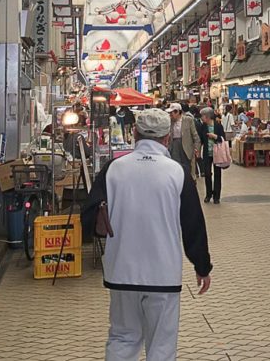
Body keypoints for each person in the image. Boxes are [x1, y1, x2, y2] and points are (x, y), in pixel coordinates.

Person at [82, 108, 212, 361]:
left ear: (134, 133)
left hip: (121, 273)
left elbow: (87, 217)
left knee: (122, 338)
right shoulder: (177, 173)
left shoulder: (113, 169)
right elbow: (193, 224)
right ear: (166, 138)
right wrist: (202, 266)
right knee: (161, 346)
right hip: (163, 277)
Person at [197, 108, 224, 204]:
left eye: (202, 116)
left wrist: (215, 136)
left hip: (217, 154)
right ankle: (208, 194)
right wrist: (198, 151)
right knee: (207, 174)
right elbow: (200, 140)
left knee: (217, 174)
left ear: (207, 116)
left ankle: (216, 196)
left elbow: (222, 139)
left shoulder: (218, 126)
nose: (201, 118)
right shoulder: (202, 127)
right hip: (207, 154)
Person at [166, 103, 199, 179]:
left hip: (186, 146)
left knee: (187, 168)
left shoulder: (188, 120)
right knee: (176, 166)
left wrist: (197, 148)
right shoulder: (169, 122)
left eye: (172, 113)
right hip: (174, 146)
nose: (170, 115)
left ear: (178, 112)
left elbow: (195, 135)